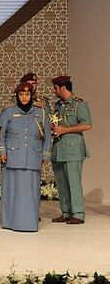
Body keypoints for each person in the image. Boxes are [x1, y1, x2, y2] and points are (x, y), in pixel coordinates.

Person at [0, 82, 52, 232]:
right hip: (12, 157)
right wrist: (2, 152)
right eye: (21, 94)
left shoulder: (41, 113)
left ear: (31, 96)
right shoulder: (8, 112)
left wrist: (45, 155)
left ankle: (29, 224)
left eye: (27, 94)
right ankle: (10, 222)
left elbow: (47, 136)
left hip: (33, 157)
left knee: (31, 193)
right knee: (11, 191)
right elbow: (0, 135)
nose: (24, 97)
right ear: (17, 96)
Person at [50, 75, 92, 224]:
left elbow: (87, 124)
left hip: (73, 151)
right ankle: (66, 212)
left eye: (55, 88)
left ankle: (78, 214)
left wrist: (64, 130)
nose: (54, 91)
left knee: (73, 183)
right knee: (61, 184)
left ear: (63, 87)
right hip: (59, 150)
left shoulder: (78, 105)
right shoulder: (57, 105)